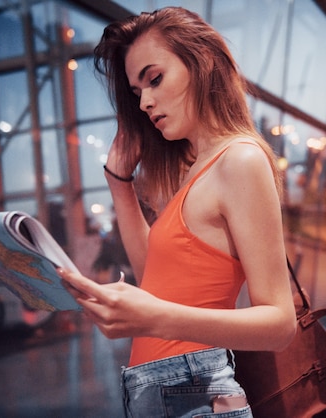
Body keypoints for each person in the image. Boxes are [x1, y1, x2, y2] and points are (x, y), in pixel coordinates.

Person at [59, 6, 296, 417]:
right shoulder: (195, 173)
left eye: (155, 79)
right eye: (137, 93)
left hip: (196, 392)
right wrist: (119, 182)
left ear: (201, 62)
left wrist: (156, 318)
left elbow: (279, 323)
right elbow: (153, 276)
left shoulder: (238, 160)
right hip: (162, 393)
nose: (146, 102)